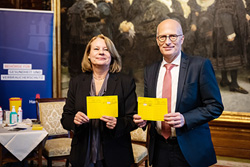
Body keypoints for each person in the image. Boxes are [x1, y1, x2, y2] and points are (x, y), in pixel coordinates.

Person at [133, 19, 224, 167]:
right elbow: (152, 107)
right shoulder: (150, 70)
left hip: (190, 147)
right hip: (159, 148)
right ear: (157, 40)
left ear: (182, 38)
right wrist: (145, 119)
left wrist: (185, 119)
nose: (167, 41)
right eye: (162, 37)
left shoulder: (200, 66)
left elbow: (215, 106)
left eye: (173, 36)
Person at [61, 34, 137, 167]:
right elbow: (66, 118)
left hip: (116, 155)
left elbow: (132, 119)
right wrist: (75, 120)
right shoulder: (77, 82)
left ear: (112, 55)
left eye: (106, 49)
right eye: (96, 49)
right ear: (88, 55)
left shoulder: (126, 82)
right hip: (83, 155)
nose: (101, 52)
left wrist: (117, 123)